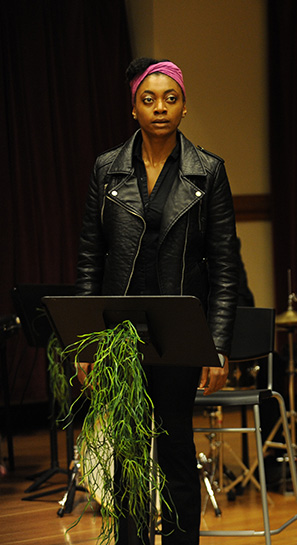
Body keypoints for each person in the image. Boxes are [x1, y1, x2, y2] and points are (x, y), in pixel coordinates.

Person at [76, 57, 238, 544]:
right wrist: (87, 341)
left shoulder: (208, 171)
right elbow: (90, 258)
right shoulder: (107, 169)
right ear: (134, 109)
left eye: (171, 98)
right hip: (120, 330)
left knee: (176, 451)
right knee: (125, 454)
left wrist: (217, 344)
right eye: (149, 100)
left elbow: (225, 265)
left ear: (184, 107)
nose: (160, 108)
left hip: (179, 331)